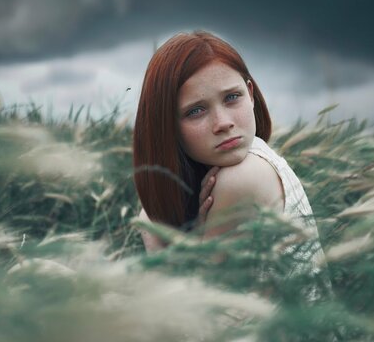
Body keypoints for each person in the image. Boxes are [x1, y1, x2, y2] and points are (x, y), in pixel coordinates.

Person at [133, 30, 325, 263]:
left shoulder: (242, 177)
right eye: (196, 111)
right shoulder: (243, 165)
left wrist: (155, 241)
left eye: (232, 97)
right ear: (168, 127)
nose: (223, 123)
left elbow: (198, 298)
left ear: (250, 94)